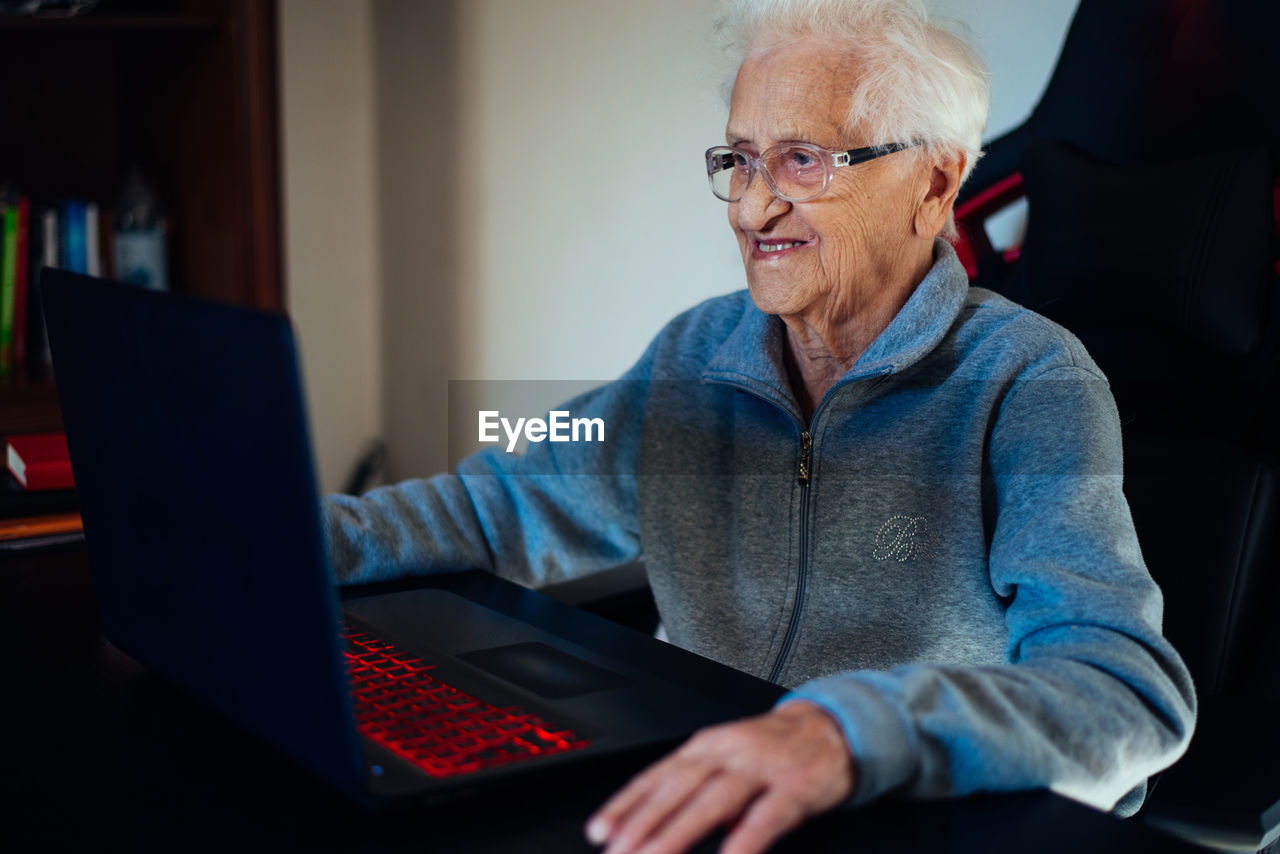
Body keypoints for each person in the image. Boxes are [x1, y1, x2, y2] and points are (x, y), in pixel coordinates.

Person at [323, 1, 1196, 852]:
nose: (750, 209)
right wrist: (286, 539)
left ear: (934, 184)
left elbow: (1124, 690)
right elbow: (497, 505)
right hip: (708, 792)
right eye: (740, 161)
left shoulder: (1029, 383)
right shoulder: (695, 355)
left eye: (803, 161)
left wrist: (844, 735)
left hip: (910, 812)